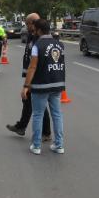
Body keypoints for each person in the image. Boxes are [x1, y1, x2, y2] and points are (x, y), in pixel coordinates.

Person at [21, 19, 65, 155]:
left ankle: (36, 145)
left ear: (38, 30)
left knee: (38, 114)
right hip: (57, 84)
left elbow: (32, 66)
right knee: (57, 115)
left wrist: (26, 86)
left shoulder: (37, 45)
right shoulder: (59, 44)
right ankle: (59, 145)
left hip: (41, 85)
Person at [6, 13, 51, 141]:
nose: (26, 27)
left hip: (36, 76)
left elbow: (38, 60)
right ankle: (22, 126)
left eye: (27, 24)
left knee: (38, 104)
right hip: (30, 75)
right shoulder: (32, 36)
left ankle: (45, 133)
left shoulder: (41, 37)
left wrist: (28, 82)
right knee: (28, 101)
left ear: (34, 23)